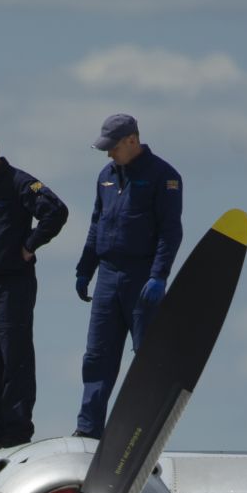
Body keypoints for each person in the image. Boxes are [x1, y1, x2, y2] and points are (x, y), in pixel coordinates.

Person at [73, 114, 182, 437]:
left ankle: (144, 430)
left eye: (114, 147)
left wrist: (159, 275)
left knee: (147, 359)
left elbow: (170, 232)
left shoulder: (164, 176)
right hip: (108, 275)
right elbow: (96, 224)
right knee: (97, 356)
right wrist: (84, 269)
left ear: (132, 141)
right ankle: (88, 429)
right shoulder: (106, 176)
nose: (109, 154)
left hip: (142, 277)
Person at [0, 132, 68, 450]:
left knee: (14, 357)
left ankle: (16, 430)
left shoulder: (20, 183)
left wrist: (30, 245)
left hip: (13, 284)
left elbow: (56, 211)